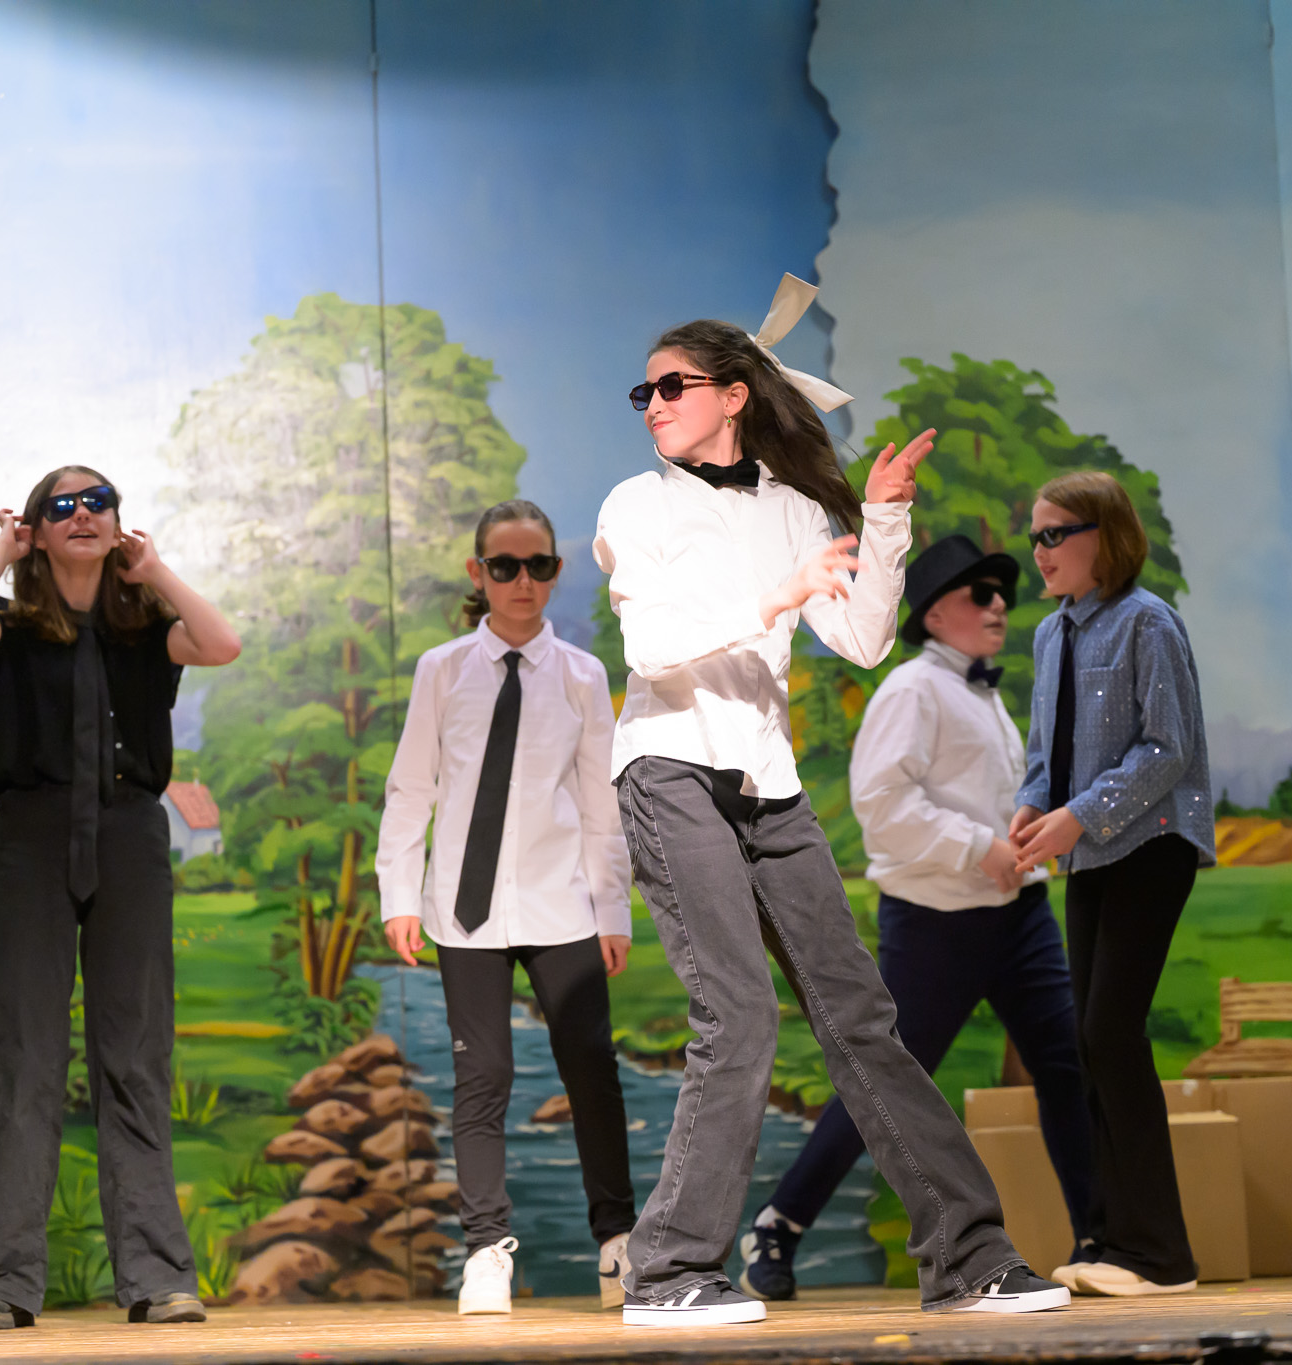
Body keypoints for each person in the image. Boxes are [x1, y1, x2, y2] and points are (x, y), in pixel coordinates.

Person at [595, 274, 1068, 1325]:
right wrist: (775, 595)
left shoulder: (796, 510)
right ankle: (667, 1272)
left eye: (670, 386)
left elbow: (859, 638)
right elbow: (654, 648)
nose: (652, 404)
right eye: (644, 392)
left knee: (860, 1014)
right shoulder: (636, 505)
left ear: (732, 395)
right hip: (669, 767)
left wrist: (885, 521)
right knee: (738, 1011)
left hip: (768, 784)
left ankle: (968, 1257)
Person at [739, 534, 1099, 1301]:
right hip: (937, 924)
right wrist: (979, 846)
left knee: (1066, 1065)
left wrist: (1021, 832)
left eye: (1003, 594)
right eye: (981, 594)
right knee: (888, 1082)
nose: (999, 605)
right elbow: (882, 806)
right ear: (935, 613)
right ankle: (778, 1223)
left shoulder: (985, 696)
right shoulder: (909, 690)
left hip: (1021, 916)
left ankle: (1097, 1237)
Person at [0, 467, 241, 1330]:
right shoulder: (10, 627)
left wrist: (155, 570)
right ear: (37, 529)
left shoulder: (146, 628)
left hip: (129, 837)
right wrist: (3, 550)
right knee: (23, 1054)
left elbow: (221, 642)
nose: (82, 514)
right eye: (61, 506)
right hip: (31, 838)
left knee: (135, 1054)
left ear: (119, 525)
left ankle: (157, 1276)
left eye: (98, 502)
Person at [377, 499, 637, 1315]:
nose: (523, 581)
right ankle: (486, 1249)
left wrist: (613, 910)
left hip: (564, 904)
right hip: (466, 910)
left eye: (539, 565)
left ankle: (618, 1244)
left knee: (590, 1068)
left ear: (556, 571)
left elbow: (601, 805)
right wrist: (398, 895)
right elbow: (410, 788)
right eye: (505, 566)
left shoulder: (583, 676)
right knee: (482, 1075)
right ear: (478, 572)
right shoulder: (441, 669)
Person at [1011, 470, 1213, 1298]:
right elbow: (1045, 750)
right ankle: (1112, 1239)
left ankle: (1161, 1254)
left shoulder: (1148, 621)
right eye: (1035, 536)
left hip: (1151, 845)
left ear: (1106, 536)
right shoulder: (1051, 634)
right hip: (1090, 852)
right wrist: (1033, 808)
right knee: (1092, 1041)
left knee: (1111, 1031)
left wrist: (1078, 814)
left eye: (1055, 534)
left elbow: (1169, 748)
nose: (1040, 550)